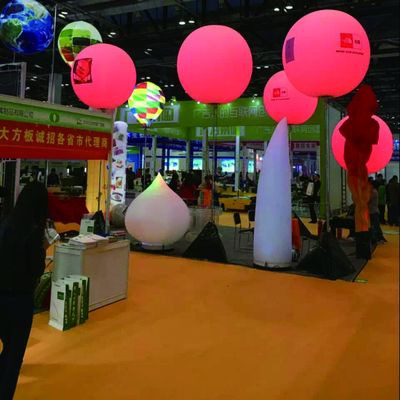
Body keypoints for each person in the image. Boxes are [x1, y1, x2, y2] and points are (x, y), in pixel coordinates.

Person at [0, 182, 49, 399]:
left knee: (8, 349)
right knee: (14, 355)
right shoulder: (33, 232)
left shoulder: (5, 223)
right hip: (19, 300)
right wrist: (43, 249)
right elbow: (36, 269)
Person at [368, 179, 386, 244]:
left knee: (375, 226)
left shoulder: (373, 192)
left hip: (373, 211)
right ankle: (380, 238)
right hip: (373, 211)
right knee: (376, 226)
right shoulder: (373, 191)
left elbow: (368, 200)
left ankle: (377, 239)